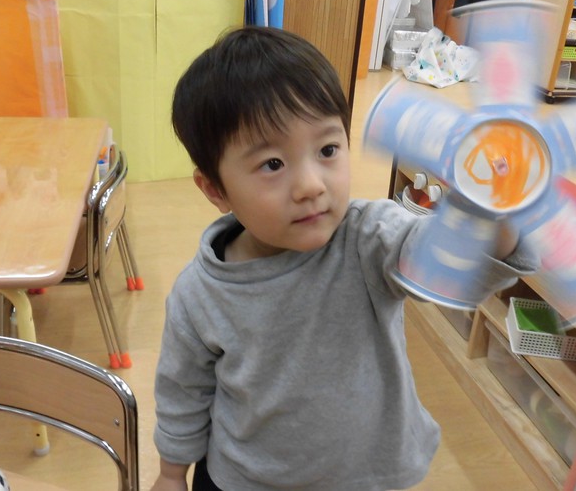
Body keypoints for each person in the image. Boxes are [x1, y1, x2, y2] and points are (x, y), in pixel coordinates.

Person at [151, 26, 536, 491]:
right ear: (215, 189)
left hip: (365, 477)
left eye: (328, 150)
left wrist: (494, 218)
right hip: (246, 478)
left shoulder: (369, 238)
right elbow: (184, 390)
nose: (311, 185)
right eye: (273, 164)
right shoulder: (199, 294)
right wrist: (171, 473)